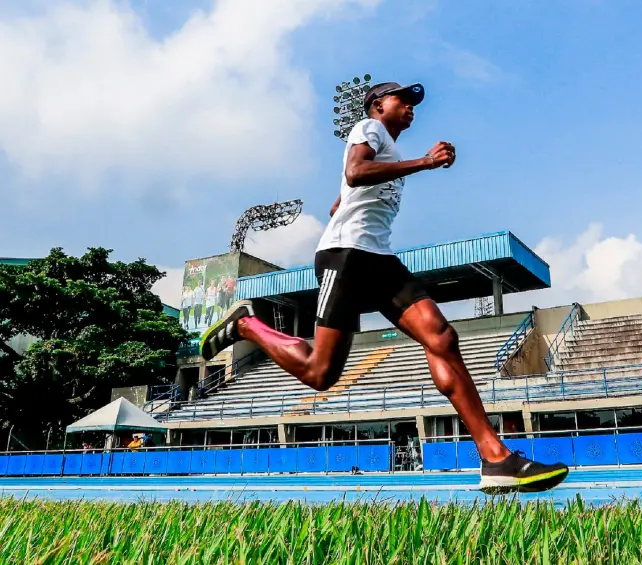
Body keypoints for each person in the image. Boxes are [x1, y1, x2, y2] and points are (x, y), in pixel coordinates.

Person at [200, 81, 568, 493]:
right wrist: (425, 162)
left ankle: (495, 459)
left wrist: (344, 202)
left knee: (442, 338)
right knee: (320, 374)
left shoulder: (386, 147)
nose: (411, 107)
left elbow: (344, 196)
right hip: (348, 256)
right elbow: (356, 172)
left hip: (378, 258)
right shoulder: (369, 129)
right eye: (403, 99)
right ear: (378, 105)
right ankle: (249, 326)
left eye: (414, 102)